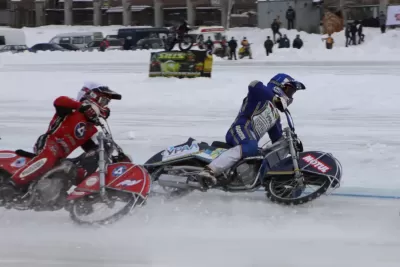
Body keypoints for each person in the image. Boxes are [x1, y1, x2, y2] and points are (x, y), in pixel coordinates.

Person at [2, 82, 122, 198]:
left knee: (77, 171)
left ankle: (78, 196)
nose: (105, 106)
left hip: (60, 156)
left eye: (107, 103)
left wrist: (116, 156)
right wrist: (82, 106)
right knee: (47, 159)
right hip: (50, 143)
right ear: (92, 97)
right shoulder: (73, 110)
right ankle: (12, 184)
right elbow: (59, 101)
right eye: (104, 101)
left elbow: (95, 150)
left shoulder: (90, 130)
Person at [197, 74, 306, 187]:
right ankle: (209, 170)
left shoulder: (275, 116)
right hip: (239, 128)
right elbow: (254, 85)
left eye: (292, 93)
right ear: (278, 87)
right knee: (251, 146)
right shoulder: (260, 94)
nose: (290, 95)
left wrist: (289, 144)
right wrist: (274, 98)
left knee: (261, 156)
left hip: (248, 137)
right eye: (289, 90)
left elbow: (277, 140)